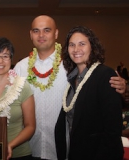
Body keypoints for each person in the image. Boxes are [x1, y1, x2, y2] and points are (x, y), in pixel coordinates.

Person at [13, 15, 126, 159]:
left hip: (68, 149)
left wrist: (122, 88)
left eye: (47, 30)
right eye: (36, 31)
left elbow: (110, 123)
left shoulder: (68, 65)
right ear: (31, 34)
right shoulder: (21, 68)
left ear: (56, 34)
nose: (41, 35)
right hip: (29, 149)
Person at [55, 26, 123, 160]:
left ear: (92, 47)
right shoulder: (72, 78)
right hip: (74, 152)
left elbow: (113, 129)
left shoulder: (104, 75)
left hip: (97, 154)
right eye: (72, 45)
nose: (76, 49)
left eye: (82, 44)